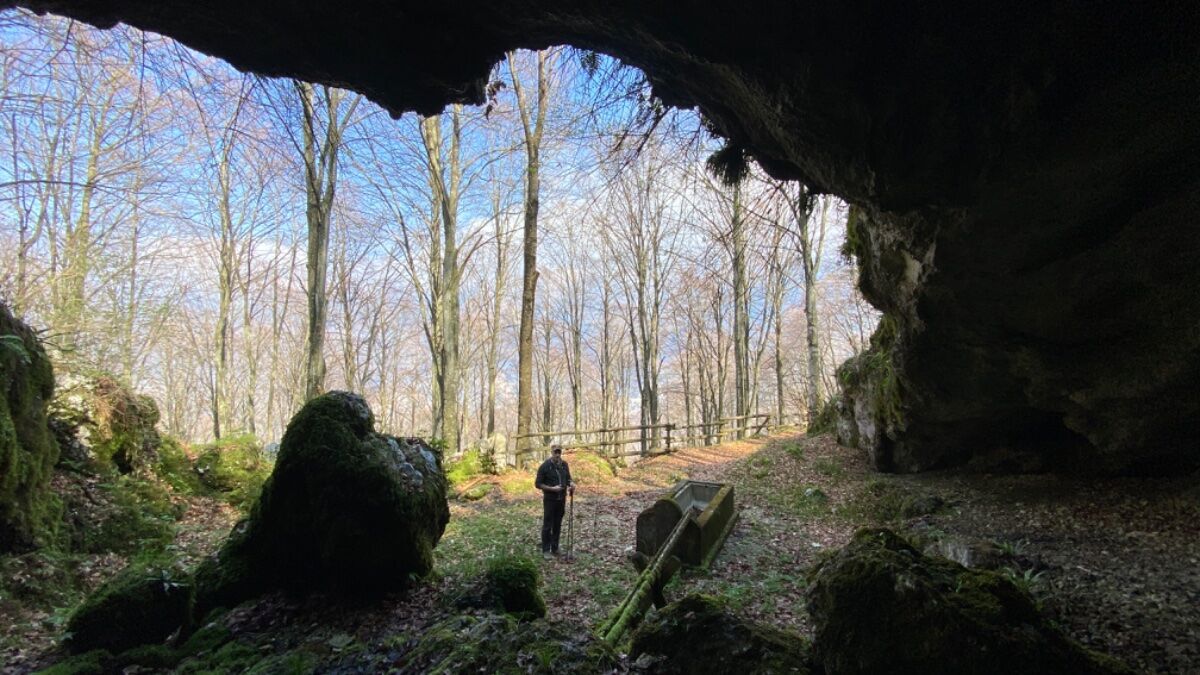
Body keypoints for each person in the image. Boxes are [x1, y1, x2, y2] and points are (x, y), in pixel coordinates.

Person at [534, 445, 574, 559]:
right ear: (551, 452)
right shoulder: (544, 466)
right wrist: (552, 489)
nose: (557, 454)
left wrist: (571, 484)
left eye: (559, 452)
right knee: (548, 525)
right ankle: (546, 550)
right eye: (555, 452)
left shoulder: (564, 465)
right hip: (550, 500)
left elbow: (568, 479)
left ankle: (555, 548)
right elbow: (538, 484)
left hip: (561, 499)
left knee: (557, 524)